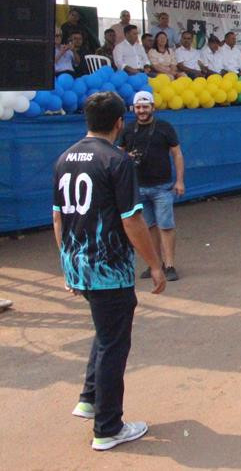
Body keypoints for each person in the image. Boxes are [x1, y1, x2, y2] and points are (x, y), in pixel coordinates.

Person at [54, 92, 166, 451]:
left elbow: (58, 216)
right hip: (107, 266)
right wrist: (154, 264)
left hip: (79, 262)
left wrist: (69, 262)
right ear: (120, 122)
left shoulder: (65, 158)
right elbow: (132, 219)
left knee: (106, 332)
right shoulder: (116, 161)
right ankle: (108, 427)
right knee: (115, 342)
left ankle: (90, 399)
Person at [118, 91, 185, 281]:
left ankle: (170, 265)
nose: (142, 111)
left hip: (162, 187)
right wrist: (126, 158)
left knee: (166, 225)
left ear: (153, 108)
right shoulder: (128, 130)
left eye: (145, 107)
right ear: (133, 109)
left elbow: (177, 154)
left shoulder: (165, 127)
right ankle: (155, 264)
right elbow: (117, 155)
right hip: (138, 188)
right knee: (149, 228)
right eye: (138, 107)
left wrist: (179, 181)